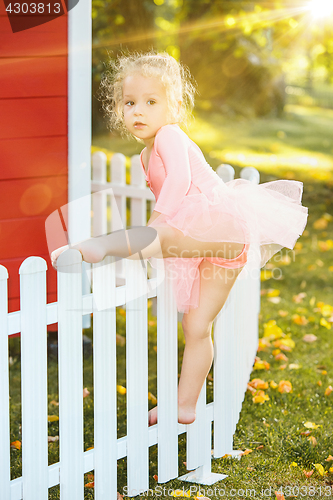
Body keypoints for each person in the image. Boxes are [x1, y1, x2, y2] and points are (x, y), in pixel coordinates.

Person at [51, 51, 308, 427]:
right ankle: (185, 404)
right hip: (220, 244)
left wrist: (159, 221)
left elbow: (178, 183)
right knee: (196, 325)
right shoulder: (144, 154)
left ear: (172, 106)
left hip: (219, 225)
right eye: (129, 103)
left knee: (157, 237)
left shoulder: (170, 135)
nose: (138, 111)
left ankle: (93, 248)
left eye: (151, 102)